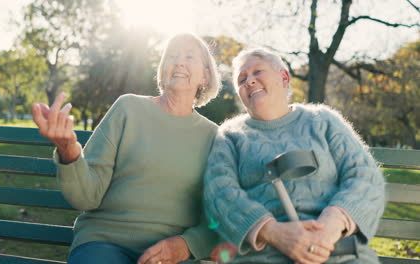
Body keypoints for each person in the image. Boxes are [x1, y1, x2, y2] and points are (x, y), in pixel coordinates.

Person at [32, 33, 222, 264]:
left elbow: (217, 217)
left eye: (190, 56)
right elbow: (85, 197)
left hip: (170, 255)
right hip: (105, 242)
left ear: (205, 75)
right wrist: (68, 149)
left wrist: (186, 245)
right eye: (172, 55)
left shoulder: (213, 136)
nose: (179, 61)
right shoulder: (128, 108)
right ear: (162, 70)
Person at [203, 48, 385, 264]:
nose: (249, 81)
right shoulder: (230, 136)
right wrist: (274, 232)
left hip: (338, 252)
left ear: (284, 77)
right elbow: (219, 192)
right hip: (265, 256)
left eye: (257, 72)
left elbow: (365, 175)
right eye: (242, 79)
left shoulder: (323, 121)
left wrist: (332, 224)